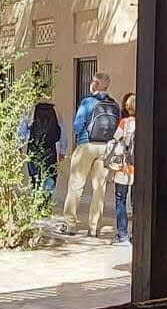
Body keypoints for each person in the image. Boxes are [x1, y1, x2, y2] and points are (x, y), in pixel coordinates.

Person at [64, 72, 119, 237]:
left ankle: (70, 224)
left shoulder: (87, 102)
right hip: (106, 148)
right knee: (99, 188)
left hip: (86, 145)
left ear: (95, 84)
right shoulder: (113, 104)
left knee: (76, 185)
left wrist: (83, 134)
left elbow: (77, 126)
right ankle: (94, 227)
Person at [107, 93, 137, 245]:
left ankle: (122, 234)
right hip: (139, 167)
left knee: (121, 199)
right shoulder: (144, 123)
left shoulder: (124, 122)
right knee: (137, 202)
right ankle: (136, 234)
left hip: (124, 167)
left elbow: (115, 139)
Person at [23, 100, 63, 205]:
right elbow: (62, 132)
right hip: (50, 149)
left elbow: (22, 130)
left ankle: (36, 202)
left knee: (34, 176)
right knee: (50, 175)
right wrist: (62, 150)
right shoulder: (56, 110)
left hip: (33, 148)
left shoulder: (31, 110)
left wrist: (19, 146)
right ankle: (46, 201)